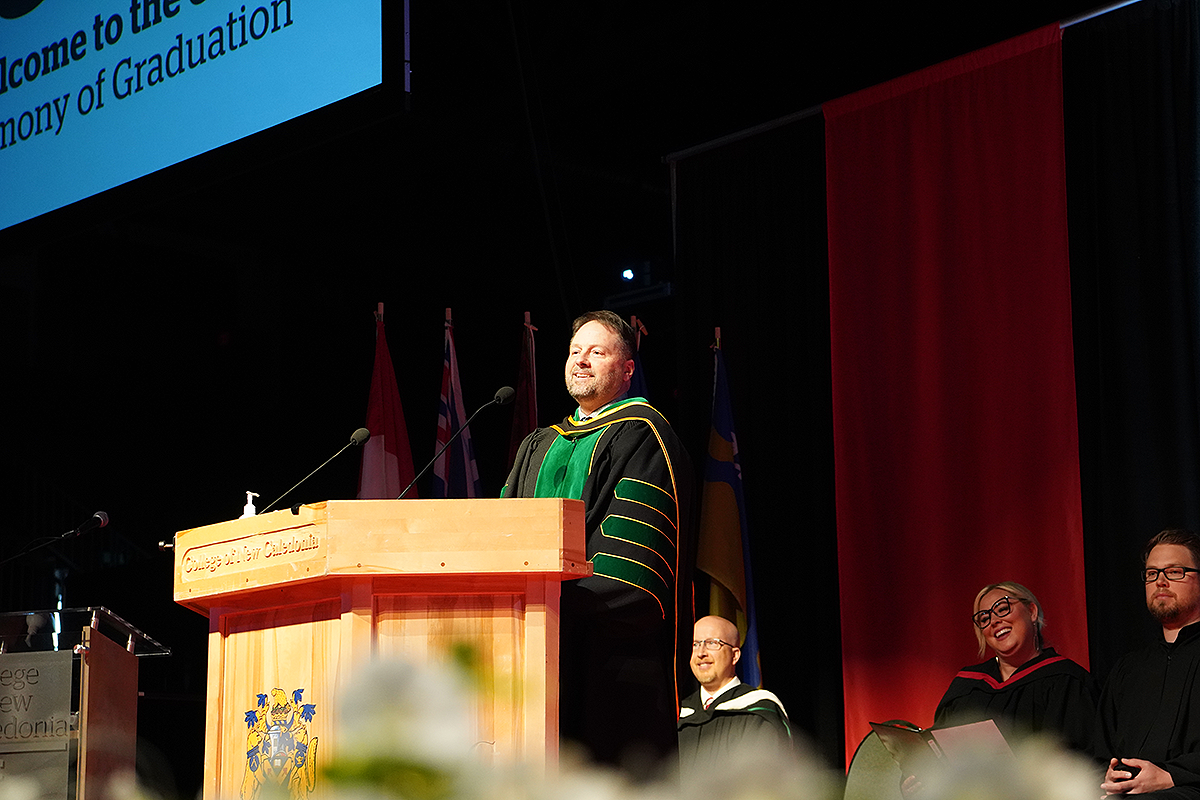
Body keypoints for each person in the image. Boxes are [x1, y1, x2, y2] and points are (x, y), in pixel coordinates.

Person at [503, 310, 693, 768]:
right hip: (527, 659)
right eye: (575, 351)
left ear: (627, 370)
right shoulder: (537, 445)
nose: (581, 360)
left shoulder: (645, 437)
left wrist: (544, 600)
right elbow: (498, 539)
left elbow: (634, 574)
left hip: (610, 666)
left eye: (597, 352)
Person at [933, 581, 1098, 753]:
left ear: (1032, 612)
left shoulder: (1066, 682)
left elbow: (1083, 759)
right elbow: (936, 754)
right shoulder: (966, 687)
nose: (994, 621)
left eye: (1003, 609)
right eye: (985, 619)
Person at [1098, 529, 1200, 798]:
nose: (1160, 582)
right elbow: (1101, 750)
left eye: (1174, 572)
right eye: (1152, 574)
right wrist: (1109, 776)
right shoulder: (1128, 669)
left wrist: (1171, 775)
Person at [677, 615, 790, 775]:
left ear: (735, 655)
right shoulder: (680, 714)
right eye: (695, 644)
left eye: (712, 643)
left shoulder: (759, 709)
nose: (701, 653)